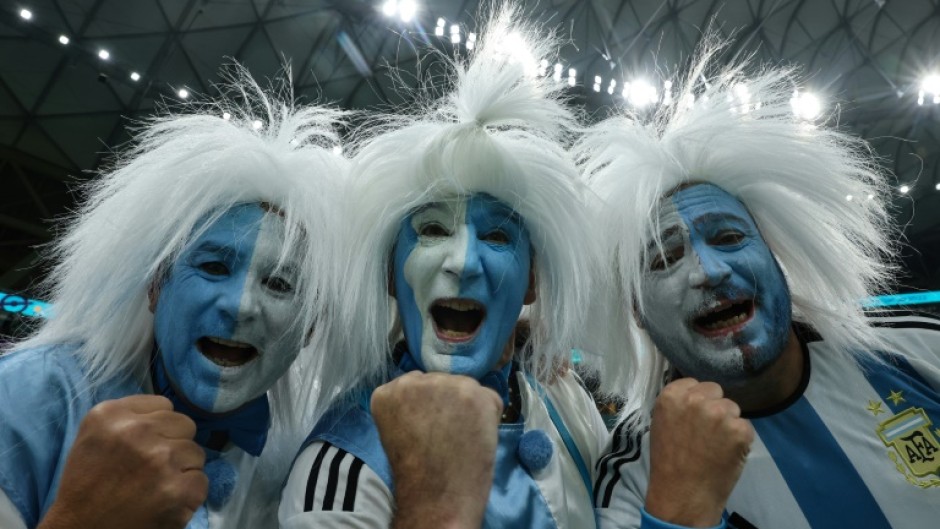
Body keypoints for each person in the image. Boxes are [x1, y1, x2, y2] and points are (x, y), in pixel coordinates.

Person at [582, 42, 940, 528]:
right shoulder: (631, 474)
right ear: (637, 313)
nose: (708, 271)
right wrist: (675, 513)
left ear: (776, 255)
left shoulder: (919, 348)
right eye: (664, 259)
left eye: (729, 237)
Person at [278, 6, 609, 528]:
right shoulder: (339, 466)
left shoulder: (561, 397)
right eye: (432, 230)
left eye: (498, 236)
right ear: (390, 273)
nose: (462, 262)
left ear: (531, 282)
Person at [0, 69, 358, 529]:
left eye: (280, 284)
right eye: (212, 267)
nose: (242, 305)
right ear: (155, 286)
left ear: (309, 328)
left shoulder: (297, 462)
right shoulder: (29, 397)